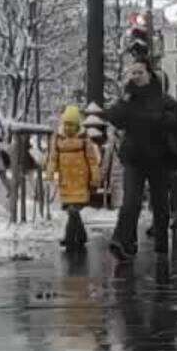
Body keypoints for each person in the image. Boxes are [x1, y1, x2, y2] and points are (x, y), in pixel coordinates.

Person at [106, 59, 177, 262]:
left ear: (149, 74)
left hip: (158, 157)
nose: (136, 76)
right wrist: (124, 100)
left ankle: (162, 246)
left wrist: (158, 120)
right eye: (133, 73)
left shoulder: (162, 98)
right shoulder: (129, 99)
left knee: (160, 203)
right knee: (131, 201)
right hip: (134, 158)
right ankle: (122, 242)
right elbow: (113, 117)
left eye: (139, 72)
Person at [49, 105, 103, 252]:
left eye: (70, 124)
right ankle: (81, 236)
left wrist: (95, 178)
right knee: (73, 212)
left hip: (80, 182)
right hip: (66, 182)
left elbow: (92, 161)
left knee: (73, 211)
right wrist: (50, 171)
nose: (67, 128)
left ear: (77, 125)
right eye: (65, 124)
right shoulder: (58, 139)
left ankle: (69, 238)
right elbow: (53, 158)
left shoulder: (85, 141)